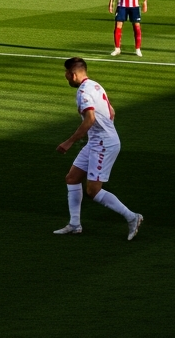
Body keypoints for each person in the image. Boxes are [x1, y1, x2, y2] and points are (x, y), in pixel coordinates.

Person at [54, 57, 143, 239]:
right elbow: (112, 112)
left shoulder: (83, 92)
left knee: (93, 191)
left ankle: (132, 217)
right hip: (98, 141)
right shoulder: (95, 85)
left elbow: (90, 119)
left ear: (73, 74)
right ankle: (75, 224)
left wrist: (69, 141)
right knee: (72, 178)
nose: (65, 77)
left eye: (66, 74)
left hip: (103, 144)